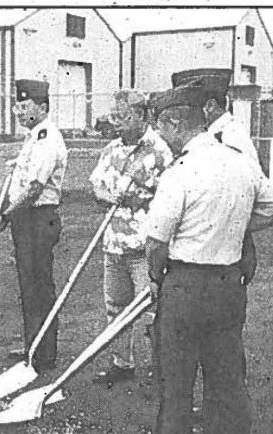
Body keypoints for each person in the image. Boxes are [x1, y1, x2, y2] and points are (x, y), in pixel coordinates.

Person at [146, 82, 273, 434]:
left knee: (176, 386)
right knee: (226, 380)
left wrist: (155, 278)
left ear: (174, 123)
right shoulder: (239, 159)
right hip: (228, 285)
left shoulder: (180, 171)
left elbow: (156, 242)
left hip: (185, 285)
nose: (161, 136)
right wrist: (235, 225)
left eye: (162, 128)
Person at [87, 89, 174, 385]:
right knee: (115, 306)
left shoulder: (160, 151)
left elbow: (168, 198)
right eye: (114, 116)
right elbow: (97, 186)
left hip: (144, 245)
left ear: (140, 116)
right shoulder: (110, 149)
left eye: (122, 116)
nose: (117, 122)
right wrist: (107, 197)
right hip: (113, 242)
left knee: (152, 310)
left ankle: (161, 369)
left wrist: (137, 199)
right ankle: (122, 363)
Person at [0, 78, 67, 371]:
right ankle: (32, 343)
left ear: (42, 107)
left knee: (39, 285)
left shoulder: (48, 138)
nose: (18, 112)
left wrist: (5, 217)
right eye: (17, 106)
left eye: (24, 106)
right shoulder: (33, 137)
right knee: (28, 284)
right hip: (26, 219)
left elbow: (34, 188)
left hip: (38, 218)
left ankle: (44, 352)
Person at [172, 68, 261, 288]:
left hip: (221, 248)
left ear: (210, 106)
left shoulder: (229, 137)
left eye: (190, 106)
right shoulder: (212, 133)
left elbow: (253, 191)